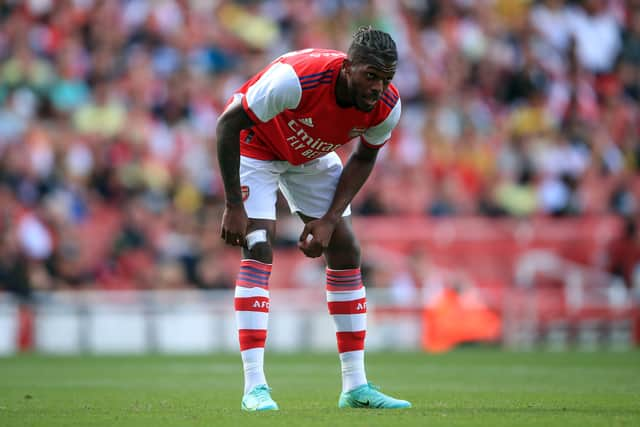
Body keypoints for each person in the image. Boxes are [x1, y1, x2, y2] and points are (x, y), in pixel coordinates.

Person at [216, 26, 411, 411]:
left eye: (386, 78)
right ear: (347, 67)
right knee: (258, 246)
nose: (378, 87)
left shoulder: (387, 106)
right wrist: (233, 206)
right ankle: (254, 388)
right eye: (370, 76)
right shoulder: (296, 80)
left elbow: (364, 158)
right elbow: (227, 124)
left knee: (345, 248)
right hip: (256, 144)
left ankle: (355, 386)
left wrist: (328, 219)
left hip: (309, 156)